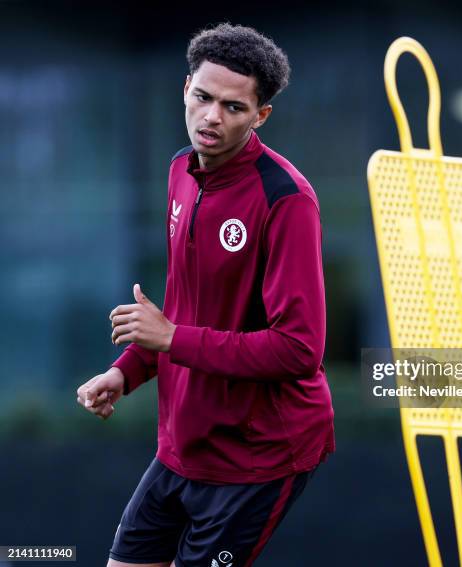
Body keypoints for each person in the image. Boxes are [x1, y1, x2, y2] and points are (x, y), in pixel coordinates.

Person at [76, 23, 335, 567]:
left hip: (258, 457)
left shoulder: (287, 200)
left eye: (234, 107)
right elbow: (185, 313)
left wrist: (170, 338)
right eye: (203, 97)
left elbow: (299, 349)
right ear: (186, 88)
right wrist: (126, 371)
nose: (212, 116)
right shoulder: (180, 172)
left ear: (260, 116)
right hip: (182, 448)